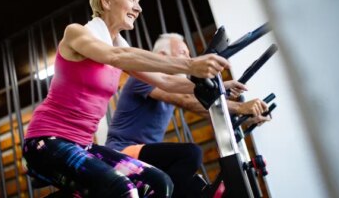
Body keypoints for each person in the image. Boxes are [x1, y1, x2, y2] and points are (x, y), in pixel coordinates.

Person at [22, 0, 231, 197]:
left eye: (139, 2)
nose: (138, 8)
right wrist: (190, 65)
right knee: (124, 190)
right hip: (45, 141)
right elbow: (116, 56)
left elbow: (166, 82)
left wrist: (220, 85)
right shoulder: (76, 33)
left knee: (159, 183)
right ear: (106, 1)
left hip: (83, 145)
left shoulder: (119, 47)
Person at [105, 33, 270, 198]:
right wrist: (240, 107)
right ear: (162, 56)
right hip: (122, 154)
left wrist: (248, 117)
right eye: (183, 53)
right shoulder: (144, 76)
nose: (189, 58)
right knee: (191, 154)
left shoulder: (172, 83)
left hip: (148, 161)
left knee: (202, 190)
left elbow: (205, 109)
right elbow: (186, 100)